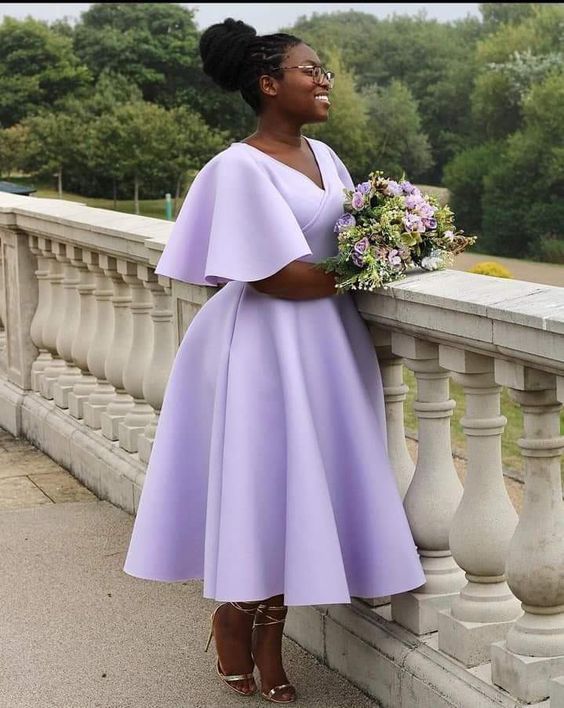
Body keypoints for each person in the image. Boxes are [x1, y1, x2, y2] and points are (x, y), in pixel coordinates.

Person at [124, 18, 425, 704]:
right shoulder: (236, 167)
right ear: (268, 84)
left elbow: (340, 247)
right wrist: (369, 263)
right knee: (264, 489)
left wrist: (390, 245)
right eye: (309, 70)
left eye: (324, 72)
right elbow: (277, 276)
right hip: (259, 350)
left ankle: (269, 636)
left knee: (303, 492)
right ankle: (237, 619)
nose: (324, 80)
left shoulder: (329, 157)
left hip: (325, 346)